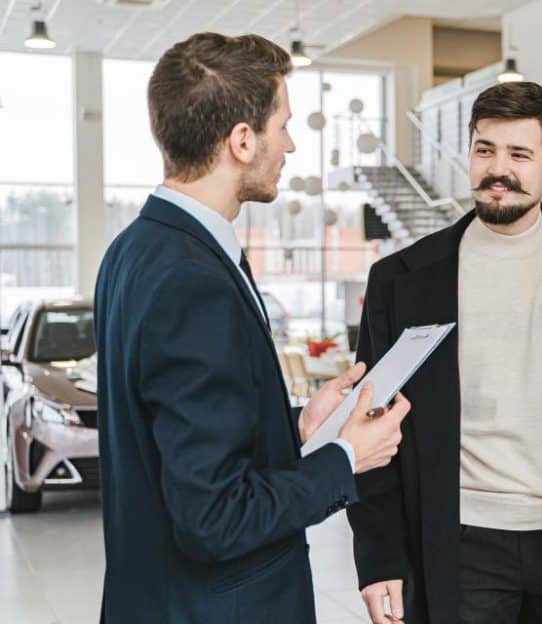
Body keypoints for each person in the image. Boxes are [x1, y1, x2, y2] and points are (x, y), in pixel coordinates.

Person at [94, 33, 409, 623]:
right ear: (242, 140)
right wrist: (344, 459)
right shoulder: (193, 280)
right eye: (281, 125)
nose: (288, 144)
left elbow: (178, 445)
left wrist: (298, 428)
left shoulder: (134, 249)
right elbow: (213, 517)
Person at [346, 81, 542, 624]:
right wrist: (378, 556)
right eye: (485, 149)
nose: (497, 169)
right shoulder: (403, 279)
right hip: (458, 540)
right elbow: (369, 424)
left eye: (519, 154)